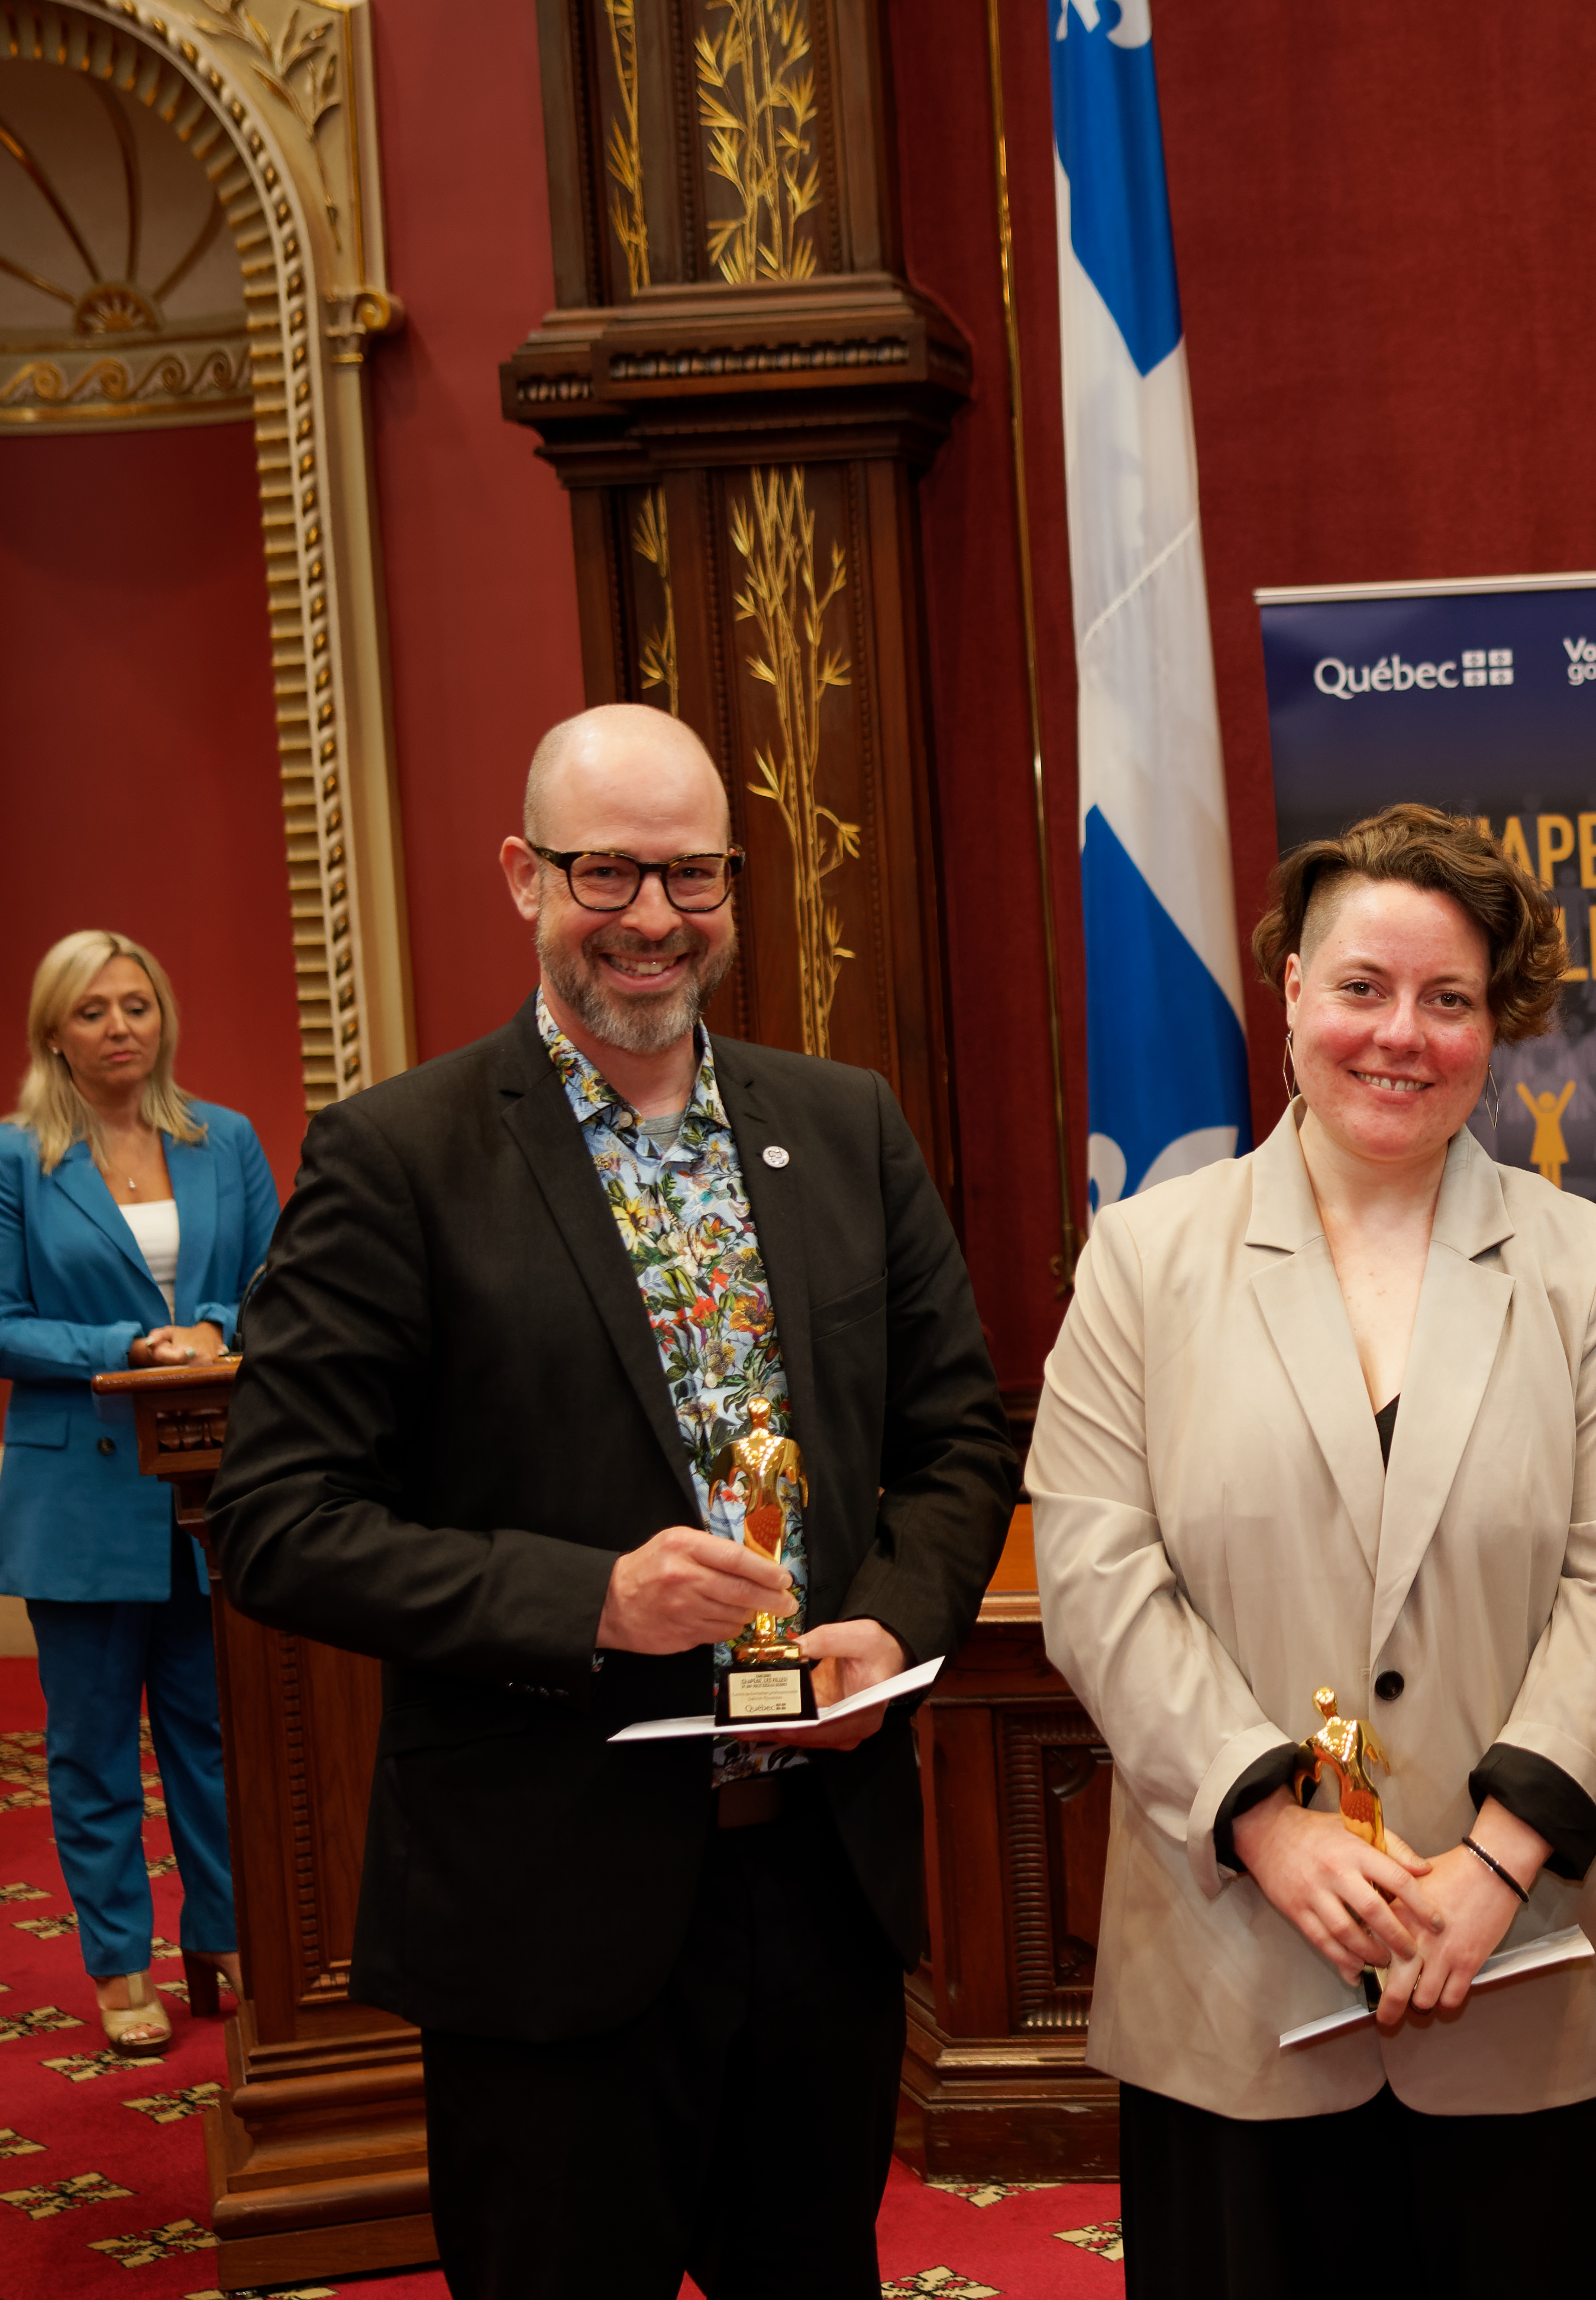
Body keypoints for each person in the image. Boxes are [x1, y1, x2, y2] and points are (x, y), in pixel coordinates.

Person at [205, 704, 1017, 2300]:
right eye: (609, 873)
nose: (654, 918)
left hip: (819, 1886)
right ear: (524, 875)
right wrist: (589, 1599)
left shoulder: (843, 1127)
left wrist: (893, 1625)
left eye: (693, 876)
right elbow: (276, 1520)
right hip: (547, 1908)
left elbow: (960, 1443)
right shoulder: (397, 1157)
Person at [1029, 802, 1596, 2300]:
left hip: (1554, 1973)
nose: (1399, 1034)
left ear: (1498, 1025)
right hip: (1242, 1982)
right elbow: (1096, 1579)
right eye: (1361, 987)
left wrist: (1496, 1858)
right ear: (1288, 988)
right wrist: (1272, 1827)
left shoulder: (1591, 1268)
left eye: (1448, 998)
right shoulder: (1144, 1263)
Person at [0, 931, 274, 2055]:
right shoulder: (17, 1157)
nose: (121, 1028)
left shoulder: (229, 1141)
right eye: (94, 1011)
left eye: (138, 1006)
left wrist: (218, 1328)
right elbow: (4, 1322)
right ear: (53, 1032)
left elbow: (280, 1282)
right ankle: (119, 1964)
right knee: (94, 1745)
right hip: (80, 1497)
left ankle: (222, 1932)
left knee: (217, 1733)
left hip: (217, 1489)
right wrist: (127, 1344)